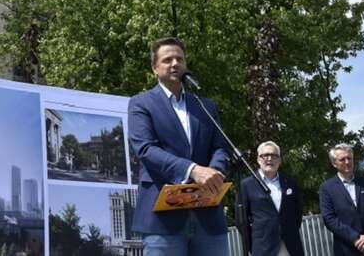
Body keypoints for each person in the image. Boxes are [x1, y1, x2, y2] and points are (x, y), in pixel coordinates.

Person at [127, 37, 232, 256]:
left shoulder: (204, 105)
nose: (175, 63)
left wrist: (214, 171)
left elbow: (221, 146)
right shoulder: (141, 103)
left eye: (180, 59)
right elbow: (145, 149)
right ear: (155, 68)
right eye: (167, 60)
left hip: (208, 218)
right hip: (162, 221)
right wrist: (193, 170)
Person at [319, 144, 364, 256]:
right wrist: (355, 238)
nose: (347, 162)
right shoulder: (326, 188)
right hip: (346, 248)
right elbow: (329, 218)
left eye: (349, 158)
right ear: (334, 163)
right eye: (342, 159)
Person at [239, 141, 305, 256]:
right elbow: (241, 222)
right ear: (258, 159)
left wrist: (287, 230)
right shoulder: (247, 185)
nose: (269, 159)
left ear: (279, 160)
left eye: (274, 156)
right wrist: (255, 245)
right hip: (263, 247)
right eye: (265, 155)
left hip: (291, 246)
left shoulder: (290, 182)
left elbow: (297, 213)